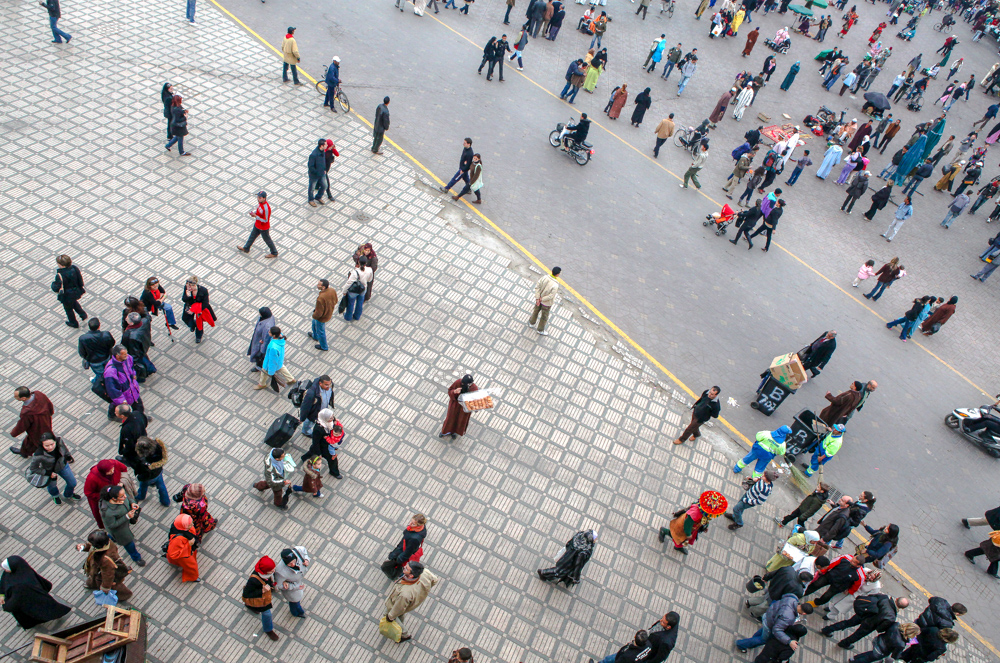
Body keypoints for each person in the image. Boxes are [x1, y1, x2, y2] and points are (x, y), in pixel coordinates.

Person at [0, 556, 71, 629]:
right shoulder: (23, 570)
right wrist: (1, 595)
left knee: (35, 614)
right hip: (33, 596)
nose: (4, 570)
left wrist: (5, 605)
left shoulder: (19, 586)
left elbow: (13, 603)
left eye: (6, 568)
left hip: (28, 602)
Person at [823, 593, 909, 650]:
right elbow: (881, 628)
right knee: (857, 635)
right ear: (902, 608)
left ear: (897, 599)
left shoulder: (884, 597)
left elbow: (871, 596)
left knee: (847, 623)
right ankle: (844, 643)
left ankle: (828, 629)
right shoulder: (892, 617)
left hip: (863, 613)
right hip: (870, 625)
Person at [735, 594, 812, 654]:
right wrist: (789, 641)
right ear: (804, 613)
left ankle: (752, 641)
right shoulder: (789, 617)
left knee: (762, 632)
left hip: (768, 616)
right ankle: (741, 644)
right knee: (763, 640)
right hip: (770, 625)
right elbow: (777, 630)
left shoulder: (792, 598)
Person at [383, 561, 439, 642]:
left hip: (397, 603)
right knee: (400, 615)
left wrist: (390, 617)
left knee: (388, 614)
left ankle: (405, 634)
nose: (404, 567)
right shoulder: (425, 572)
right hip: (412, 601)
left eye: (406, 568)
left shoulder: (405, 594)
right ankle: (400, 627)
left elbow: (399, 608)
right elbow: (435, 580)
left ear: (411, 575)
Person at [658, 490, 728, 555]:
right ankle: (664, 531)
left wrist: (704, 527)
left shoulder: (703, 508)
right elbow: (687, 524)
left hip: (693, 527)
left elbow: (705, 519)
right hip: (684, 527)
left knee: (680, 538)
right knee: (678, 536)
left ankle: (678, 546)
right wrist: (688, 534)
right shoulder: (695, 514)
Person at [77, 530, 133, 605]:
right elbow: (91, 546)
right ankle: (91, 584)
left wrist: (105, 587)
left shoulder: (106, 559)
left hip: (100, 573)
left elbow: (108, 575)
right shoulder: (105, 541)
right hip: (96, 570)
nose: (91, 545)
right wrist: (84, 547)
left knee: (114, 585)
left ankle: (124, 595)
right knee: (94, 578)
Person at [100, 485, 145, 566]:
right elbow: (112, 525)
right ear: (114, 499)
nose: (124, 496)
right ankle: (136, 557)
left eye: (124, 494)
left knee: (112, 537)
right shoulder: (108, 512)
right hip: (119, 530)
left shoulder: (120, 495)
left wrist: (132, 503)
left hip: (124, 523)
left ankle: (109, 539)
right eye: (122, 496)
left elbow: (128, 497)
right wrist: (127, 517)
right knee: (128, 543)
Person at [30, 433, 79, 505]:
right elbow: (33, 468)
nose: (50, 447)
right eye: (46, 445)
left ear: (55, 441)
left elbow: (64, 449)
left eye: (52, 444)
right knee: (52, 486)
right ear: (42, 445)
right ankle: (55, 496)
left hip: (63, 466)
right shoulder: (39, 454)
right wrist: (49, 473)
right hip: (49, 471)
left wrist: (68, 456)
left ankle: (69, 494)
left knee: (72, 483)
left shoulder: (59, 441)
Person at [745, 567, 814, 618]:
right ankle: (753, 613)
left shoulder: (789, 569)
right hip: (776, 597)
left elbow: (774, 572)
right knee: (765, 606)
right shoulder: (799, 590)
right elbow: (790, 598)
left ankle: (749, 602)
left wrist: (766, 577)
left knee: (763, 598)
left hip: (772, 587)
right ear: (804, 581)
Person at [9, 386, 54, 459]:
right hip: (46, 423)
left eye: (16, 396)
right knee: (29, 441)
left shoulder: (27, 412)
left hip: (36, 430)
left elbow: (22, 425)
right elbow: (49, 405)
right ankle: (24, 452)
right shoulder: (39, 394)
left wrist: (13, 433)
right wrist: (49, 415)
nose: (14, 397)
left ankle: (60, 457)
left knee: (43, 444)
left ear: (23, 398)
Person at [242, 556, 280, 641]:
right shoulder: (253, 580)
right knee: (267, 614)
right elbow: (246, 594)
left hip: (265, 595)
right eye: (271, 570)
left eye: (274, 569)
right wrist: (262, 591)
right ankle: (268, 629)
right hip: (261, 599)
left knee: (256, 607)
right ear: (265, 571)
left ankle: (250, 606)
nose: (274, 571)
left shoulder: (267, 573)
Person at [83, 459, 128, 528]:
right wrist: (105, 496)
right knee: (101, 515)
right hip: (101, 500)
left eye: (113, 469)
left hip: (116, 494)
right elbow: (88, 493)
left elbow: (124, 469)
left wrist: (121, 482)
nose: (113, 472)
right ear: (103, 472)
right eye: (109, 471)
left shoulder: (114, 464)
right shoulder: (92, 478)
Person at [382, 513, 427, 580]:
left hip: (401, 553)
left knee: (386, 566)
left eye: (413, 523)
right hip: (402, 548)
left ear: (419, 525)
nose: (410, 524)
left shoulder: (414, 538)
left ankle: (395, 576)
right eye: (411, 521)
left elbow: (408, 552)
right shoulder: (420, 528)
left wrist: (399, 560)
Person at [303, 408, 343, 479]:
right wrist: (319, 454)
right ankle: (334, 472)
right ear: (325, 418)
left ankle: (334, 472)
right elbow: (316, 442)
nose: (332, 418)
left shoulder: (331, 419)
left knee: (313, 451)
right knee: (332, 458)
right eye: (330, 418)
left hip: (328, 443)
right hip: (322, 446)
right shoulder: (318, 428)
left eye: (332, 416)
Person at [239, 191, 277, 259]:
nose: (258, 199)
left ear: (264, 198)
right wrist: (254, 213)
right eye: (258, 197)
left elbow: (265, 220)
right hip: (257, 225)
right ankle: (246, 248)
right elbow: (258, 211)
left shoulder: (266, 208)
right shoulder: (260, 204)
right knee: (252, 237)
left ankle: (274, 252)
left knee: (267, 240)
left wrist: (256, 216)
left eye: (260, 197)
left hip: (263, 228)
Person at [439, 374, 479, 439]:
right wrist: (454, 391)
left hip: (464, 409)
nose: (462, 384)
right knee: (450, 419)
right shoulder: (458, 382)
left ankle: (455, 432)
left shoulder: (474, 388)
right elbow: (450, 390)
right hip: (455, 406)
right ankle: (445, 431)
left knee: (460, 421)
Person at [274, 547, 310, 617]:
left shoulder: (298, 551)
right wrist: (294, 586)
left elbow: (304, 550)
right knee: (294, 602)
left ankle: (298, 612)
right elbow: (278, 585)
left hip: (298, 582)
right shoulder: (280, 571)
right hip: (291, 590)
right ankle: (296, 613)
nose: (293, 565)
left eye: (293, 561)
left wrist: (307, 559)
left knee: (296, 602)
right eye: (289, 564)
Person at [133, 436, 169, 506]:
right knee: (161, 486)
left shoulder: (143, 461)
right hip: (158, 472)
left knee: (143, 486)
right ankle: (166, 501)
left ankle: (141, 496)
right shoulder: (158, 447)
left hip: (148, 477)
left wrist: (139, 478)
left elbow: (142, 473)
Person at [53, 254, 87, 327]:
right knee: (74, 303)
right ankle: (83, 314)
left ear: (61, 265)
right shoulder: (74, 268)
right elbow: (80, 279)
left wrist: (53, 285)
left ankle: (73, 322)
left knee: (68, 309)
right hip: (76, 291)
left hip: (67, 295)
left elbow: (56, 287)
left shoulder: (60, 275)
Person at [165, 514, 201, 583]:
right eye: (190, 524)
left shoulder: (179, 527)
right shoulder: (178, 539)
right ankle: (192, 577)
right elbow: (173, 554)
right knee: (191, 566)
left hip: (187, 550)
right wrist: (189, 545)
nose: (192, 525)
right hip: (184, 555)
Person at [79, 318, 116, 383]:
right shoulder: (106, 334)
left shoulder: (83, 338)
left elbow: (81, 352)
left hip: (94, 361)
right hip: (106, 356)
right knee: (109, 368)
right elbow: (112, 343)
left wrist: (87, 357)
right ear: (99, 325)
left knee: (100, 374)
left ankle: (98, 382)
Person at [181, 275, 216, 343]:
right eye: (187, 286)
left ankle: (199, 336)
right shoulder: (187, 289)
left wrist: (195, 310)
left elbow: (205, 303)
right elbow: (184, 299)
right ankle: (193, 325)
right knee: (185, 319)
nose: (188, 288)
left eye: (190, 287)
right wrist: (188, 295)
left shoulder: (203, 290)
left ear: (194, 285)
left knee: (199, 322)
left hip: (200, 308)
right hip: (190, 306)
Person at [122, 312, 155, 380]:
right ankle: (150, 369)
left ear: (131, 323)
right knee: (144, 359)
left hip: (138, 351)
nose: (125, 319)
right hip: (145, 344)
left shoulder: (130, 335)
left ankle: (143, 376)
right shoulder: (145, 321)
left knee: (140, 364)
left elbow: (133, 350)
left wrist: (133, 361)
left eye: (127, 319)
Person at [529, 267, 561, 335]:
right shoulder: (555, 285)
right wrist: (542, 299)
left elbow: (537, 287)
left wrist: (538, 298)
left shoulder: (544, 277)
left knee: (536, 311)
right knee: (544, 317)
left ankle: (531, 322)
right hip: (546, 303)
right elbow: (551, 296)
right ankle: (540, 330)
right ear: (558, 274)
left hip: (539, 300)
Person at [341, 257, 373, 321]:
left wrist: (344, 291)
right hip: (363, 289)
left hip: (354, 290)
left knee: (350, 304)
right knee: (360, 303)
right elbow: (370, 280)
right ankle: (357, 316)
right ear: (366, 263)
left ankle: (348, 317)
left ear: (358, 262)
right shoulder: (369, 270)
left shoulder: (355, 272)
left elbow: (349, 283)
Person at [309, 280, 337, 352]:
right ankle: (315, 336)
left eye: (319, 285)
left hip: (321, 318)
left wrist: (314, 315)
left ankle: (324, 346)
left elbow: (319, 313)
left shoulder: (321, 298)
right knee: (314, 323)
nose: (317, 285)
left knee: (321, 331)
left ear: (323, 287)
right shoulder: (332, 290)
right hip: (328, 313)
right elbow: (336, 301)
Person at [247, 307, 275, 372]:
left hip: (260, 344)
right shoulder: (267, 317)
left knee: (260, 357)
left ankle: (259, 367)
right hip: (258, 340)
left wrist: (262, 350)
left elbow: (266, 339)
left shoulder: (267, 326)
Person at [307, 138, 328, 207]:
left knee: (325, 185)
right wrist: (317, 172)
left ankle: (318, 197)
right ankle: (311, 199)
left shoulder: (323, 152)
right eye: (325, 144)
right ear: (321, 145)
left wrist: (324, 169)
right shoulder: (314, 155)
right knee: (312, 188)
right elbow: (310, 166)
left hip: (322, 173)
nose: (327, 145)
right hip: (314, 175)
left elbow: (323, 161)